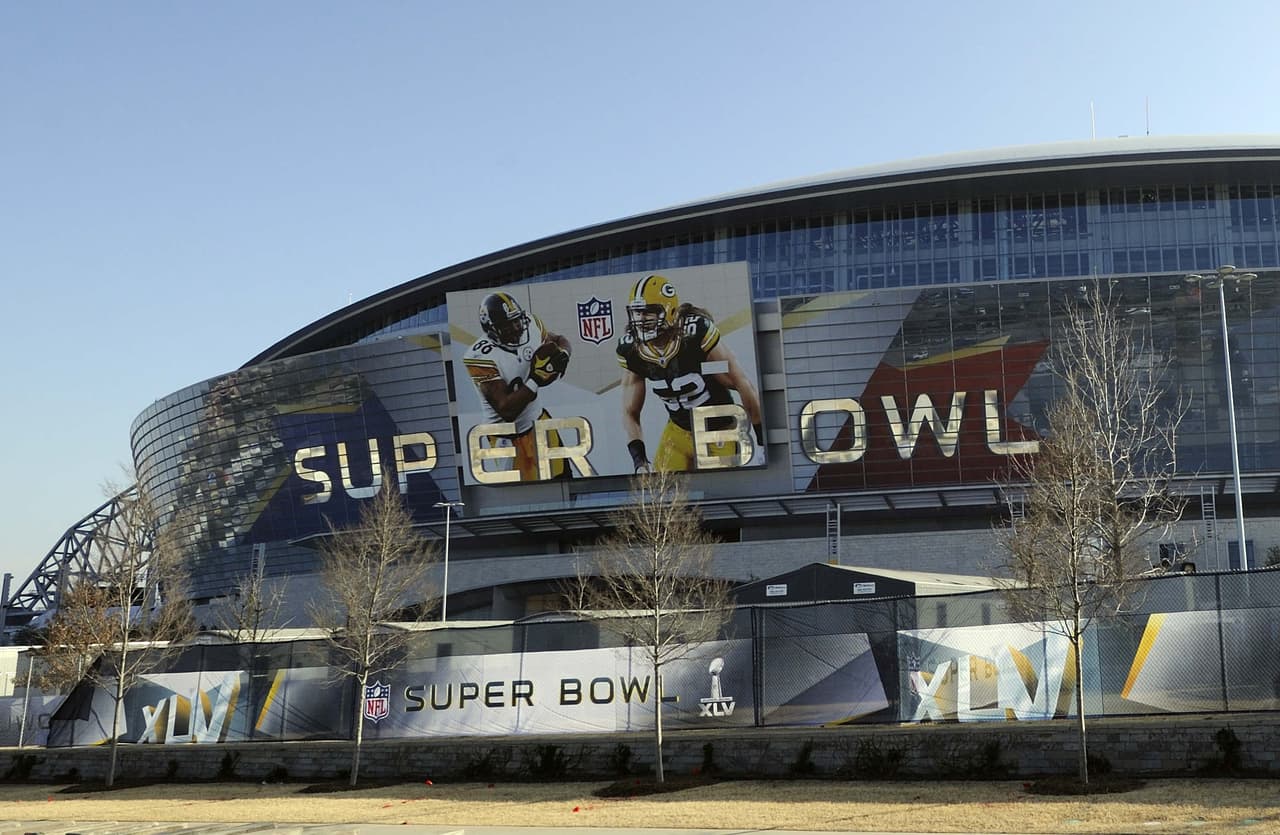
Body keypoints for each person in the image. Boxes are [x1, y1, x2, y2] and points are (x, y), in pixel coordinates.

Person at [616, 274, 763, 472]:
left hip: (718, 429)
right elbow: (629, 411)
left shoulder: (695, 334)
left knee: (720, 489)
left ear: (670, 312)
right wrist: (639, 460)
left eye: (648, 312)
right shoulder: (631, 350)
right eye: (636, 313)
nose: (641, 320)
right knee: (661, 495)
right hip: (677, 430)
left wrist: (762, 441)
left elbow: (741, 383)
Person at [463, 291, 571, 481]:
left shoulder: (531, 324)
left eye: (516, 321)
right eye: (507, 325)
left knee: (564, 483)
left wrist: (563, 355)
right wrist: (536, 379)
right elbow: (506, 409)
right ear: (491, 329)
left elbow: (560, 340)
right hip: (507, 438)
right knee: (526, 499)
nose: (515, 328)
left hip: (538, 422)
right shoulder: (479, 356)